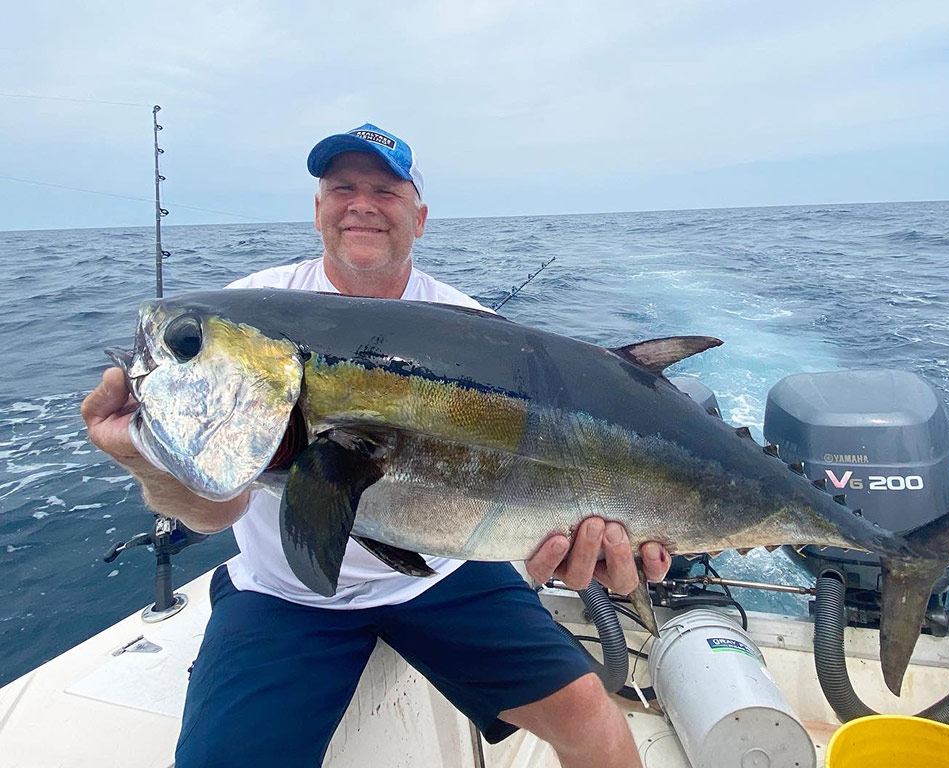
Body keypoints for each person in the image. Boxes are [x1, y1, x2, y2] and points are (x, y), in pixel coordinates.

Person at [82, 123, 671, 768]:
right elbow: (214, 509)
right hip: (285, 593)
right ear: (317, 210)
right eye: (342, 188)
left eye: (385, 191)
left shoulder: (477, 330)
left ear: (419, 218)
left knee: (597, 726)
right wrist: (146, 458)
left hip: (444, 576)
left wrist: (577, 543)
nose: (361, 203)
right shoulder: (252, 310)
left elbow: (536, 477)